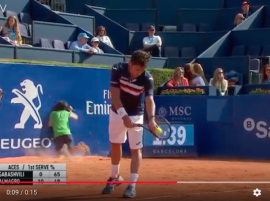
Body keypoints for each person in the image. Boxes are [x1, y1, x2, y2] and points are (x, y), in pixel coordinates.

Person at [101, 50, 158, 198]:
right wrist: (123, 115)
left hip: (136, 114)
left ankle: (132, 185)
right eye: (137, 69)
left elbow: (149, 100)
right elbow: (114, 93)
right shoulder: (117, 69)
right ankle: (114, 177)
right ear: (130, 63)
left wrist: (151, 119)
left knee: (135, 149)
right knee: (115, 143)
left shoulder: (147, 78)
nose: (139, 73)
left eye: (142, 70)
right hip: (117, 112)